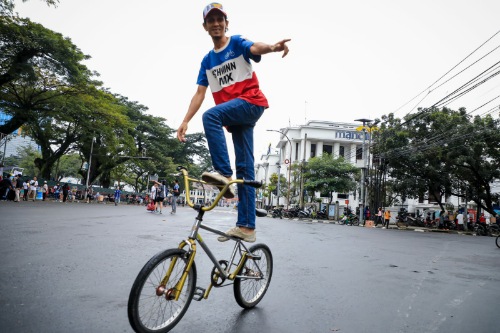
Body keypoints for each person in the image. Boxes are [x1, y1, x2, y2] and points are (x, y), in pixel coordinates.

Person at [176, 2, 290, 242]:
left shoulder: (236, 43)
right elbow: (200, 94)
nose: (216, 24)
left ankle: (223, 174)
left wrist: (270, 47)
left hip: (250, 102)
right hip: (237, 117)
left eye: (220, 19)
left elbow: (255, 48)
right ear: (205, 26)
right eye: (211, 20)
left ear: (226, 23)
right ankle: (246, 226)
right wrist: (185, 120)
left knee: (212, 115)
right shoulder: (208, 61)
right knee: (246, 169)